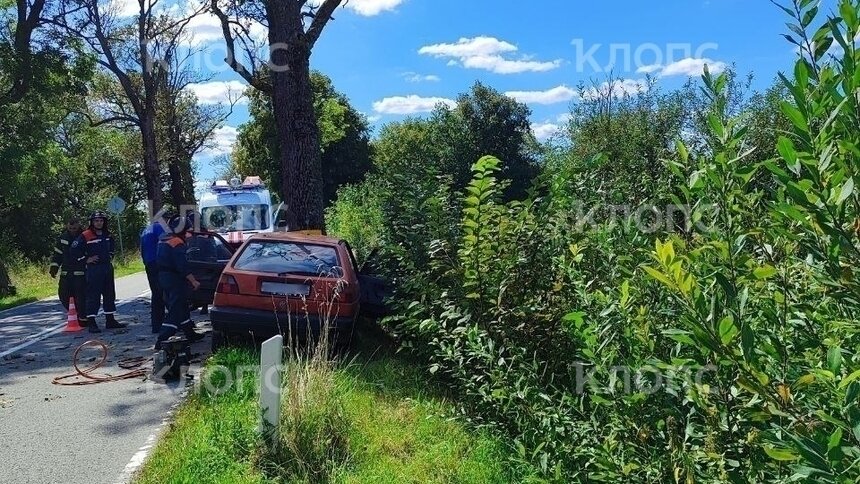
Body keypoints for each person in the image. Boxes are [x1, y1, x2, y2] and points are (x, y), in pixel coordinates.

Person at [72, 211, 126, 333]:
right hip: (94, 269)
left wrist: (110, 255)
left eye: (101, 220)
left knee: (109, 294)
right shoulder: (85, 235)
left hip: (107, 267)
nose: (99, 223)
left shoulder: (107, 234)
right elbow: (74, 251)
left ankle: (110, 320)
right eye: (96, 221)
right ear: (92, 222)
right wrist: (86, 260)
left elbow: (112, 246)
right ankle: (92, 322)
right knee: (93, 296)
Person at [156, 214, 204, 347]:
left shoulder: (163, 238)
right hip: (174, 278)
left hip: (163, 276)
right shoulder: (177, 243)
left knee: (182, 306)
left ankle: (190, 333)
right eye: (188, 231)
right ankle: (162, 339)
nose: (189, 235)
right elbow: (182, 266)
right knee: (176, 309)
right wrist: (194, 281)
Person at [50, 218, 87, 320]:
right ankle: (74, 313)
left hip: (81, 272)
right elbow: (57, 254)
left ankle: (83, 317)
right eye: (70, 227)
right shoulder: (63, 238)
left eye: (74, 227)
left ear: (79, 225)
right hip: (66, 273)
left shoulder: (84, 236)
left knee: (81, 296)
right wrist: (54, 267)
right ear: (67, 226)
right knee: (64, 295)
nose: (72, 229)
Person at [140, 210, 170, 334]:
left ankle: (157, 324)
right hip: (159, 263)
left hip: (149, 263)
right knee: (164, 293)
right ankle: (170, 323)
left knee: (156, 294)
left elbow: (141, 248)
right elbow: (166, 245)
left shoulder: (146, 229)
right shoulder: (161, 228)